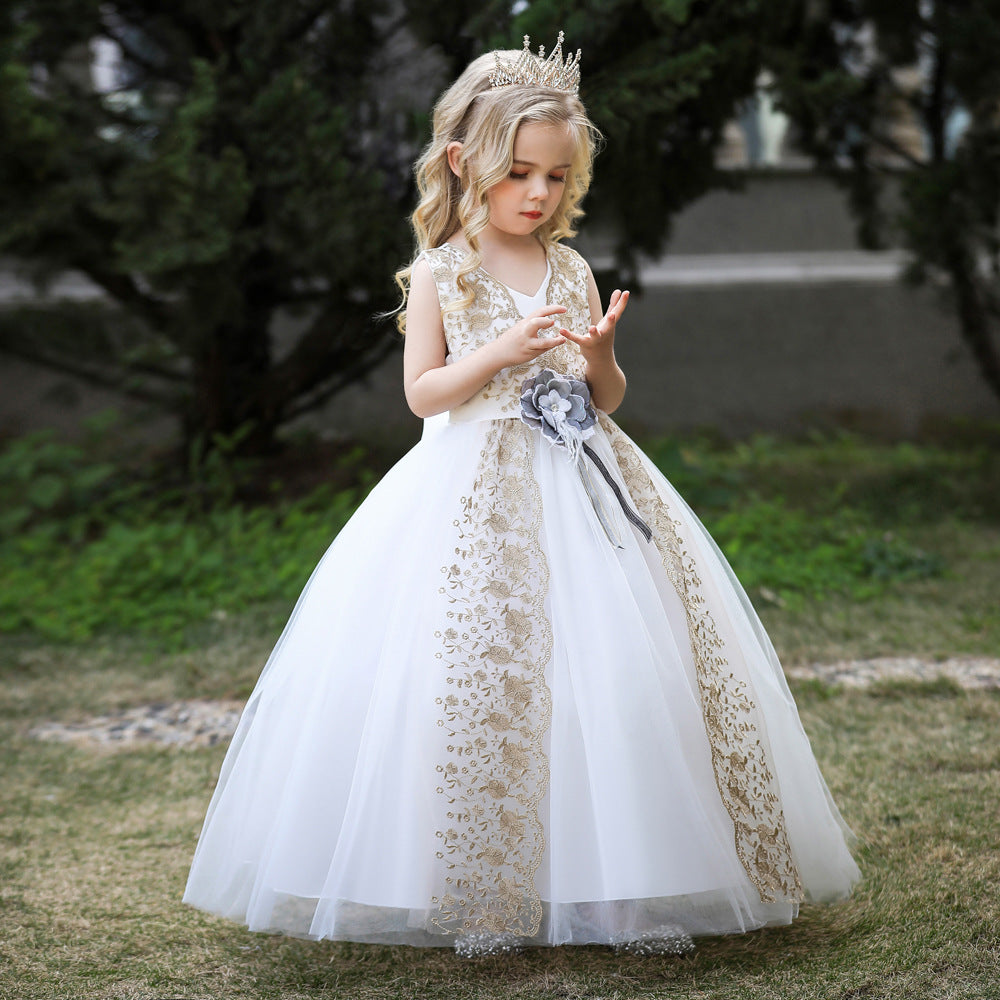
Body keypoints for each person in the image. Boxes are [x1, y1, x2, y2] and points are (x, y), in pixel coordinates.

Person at [183, 33, 860, 956]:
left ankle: (621, 889)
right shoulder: (445, 271)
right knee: (478, 675)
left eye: (555, 176)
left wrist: (600, 355)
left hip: (582, 486)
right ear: (466, 164)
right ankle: (482, 889)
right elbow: (424, 394)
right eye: (518, 174)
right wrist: (498, 353)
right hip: (471, 498)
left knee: (609, 668)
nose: (537, 194)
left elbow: (603, 398)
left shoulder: (569, 267)